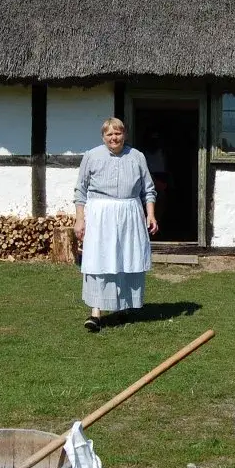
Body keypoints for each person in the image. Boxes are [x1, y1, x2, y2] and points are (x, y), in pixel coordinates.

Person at [73, 118, 159, 332]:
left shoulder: (137, 156)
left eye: (118, 133)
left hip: (129, 213)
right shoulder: (91, 156)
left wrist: (151, 215)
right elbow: (80, 191)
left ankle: (123, 307)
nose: (114, 138)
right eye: (110, 134)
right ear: (103, 136)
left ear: (125, 135)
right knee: (99, 261)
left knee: (125, 258)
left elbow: (148, 189)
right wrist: (80, 218)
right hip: (100, 215)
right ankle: (96, 313)